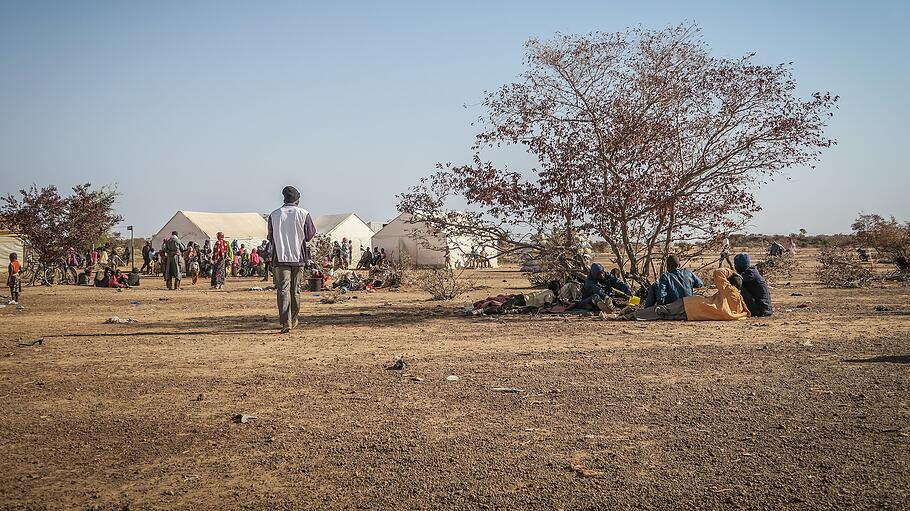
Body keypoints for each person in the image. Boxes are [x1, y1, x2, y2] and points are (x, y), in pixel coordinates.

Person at [268, 185, 316, 333]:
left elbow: (270, 237)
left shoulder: (274, 215)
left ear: (284, 198)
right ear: (298, 200)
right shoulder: (304, 214)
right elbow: (309, 235)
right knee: (296, 290)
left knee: (283, 290)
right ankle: (294, 318)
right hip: (298, 257)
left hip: (281, 258)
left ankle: (285, 321)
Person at [633, 268, 750, 321]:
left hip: (691, 304)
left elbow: (718, 272)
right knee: (665, 316)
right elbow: (700, 284)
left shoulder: (728, 289)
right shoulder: (739, 305)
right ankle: (639, 315)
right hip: (695, 316)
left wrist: (732, 272)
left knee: (662, 310)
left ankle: (634, 314)